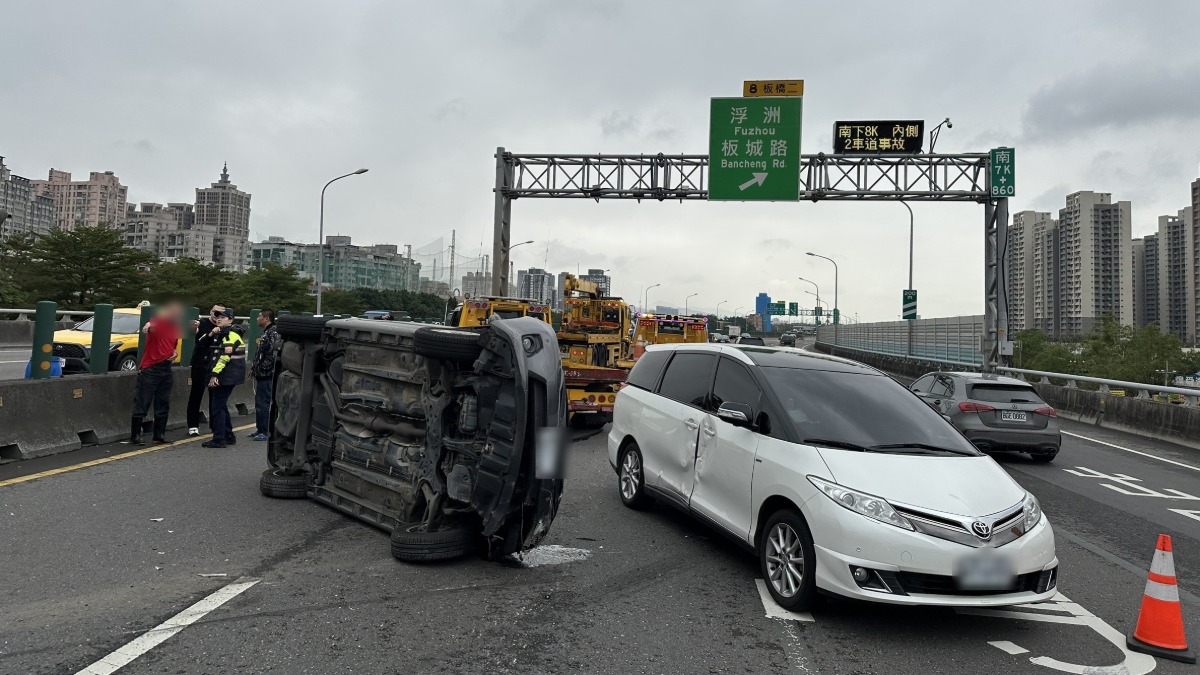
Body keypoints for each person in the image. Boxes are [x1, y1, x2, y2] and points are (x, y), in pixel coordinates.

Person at [124, 302, 183, 445]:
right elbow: (149, 326)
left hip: (166, 368)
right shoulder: (158, 322)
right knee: (143, 402)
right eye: (174, 312)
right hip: (151, 368)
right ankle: (135, 436)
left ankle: (159, 434)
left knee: (163, 403)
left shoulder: (175, 327)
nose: (177, 315)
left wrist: (173, 353)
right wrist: (148, 326)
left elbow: (172, 346)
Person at [201, 308, 247, 449]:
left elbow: (224, 358)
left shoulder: (230, 335)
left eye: (223, 317)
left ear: (231, 320)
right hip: (226, 376)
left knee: (217, 407)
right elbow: (201, 343)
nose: (218, 319)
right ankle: (228, 436)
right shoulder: (221, 334)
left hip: (226, 376)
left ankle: (219, 439)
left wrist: (214, 375)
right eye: (217, 317)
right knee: (221, 406)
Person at [187, 304, 225, 436]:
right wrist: (194, 327)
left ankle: (215, 426)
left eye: (221, 315)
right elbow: (195, 334)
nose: (217, 317)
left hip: (215, 365)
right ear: (210, 312)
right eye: (215, 313)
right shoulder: (202, 323)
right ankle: (192, 425)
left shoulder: (224, 328)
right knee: (196, 394)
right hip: (200, 364)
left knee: (215, 396)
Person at [249, 308, 281, 441]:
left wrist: (265, 369)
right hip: (260, 374)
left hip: (268, 375)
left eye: (259, 316)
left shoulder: (273, 332)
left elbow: (274, 354)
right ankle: (260, 428)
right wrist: (254, 369)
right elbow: (260, 354)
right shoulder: (266, 332)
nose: (257, 319)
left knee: (265, 404)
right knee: (259, 403)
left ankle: (266, 431)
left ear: (267, 318)